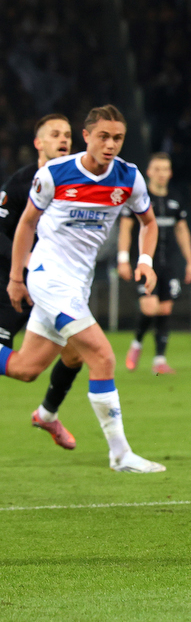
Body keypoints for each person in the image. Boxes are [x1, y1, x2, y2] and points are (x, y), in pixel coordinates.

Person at [1, 105, 166, 473]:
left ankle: (46, 415)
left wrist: (145, 261)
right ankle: (120, 453)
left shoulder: (129, 177)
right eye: (103, 136)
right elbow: (27, 224)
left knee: (26, 368)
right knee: (103, 356)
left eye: (118, 138)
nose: (110, 144)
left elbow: (149, 223)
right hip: (47, 278)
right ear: (87, 136)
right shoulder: (55, 173)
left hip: (77, 282)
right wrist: (16, 277)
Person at [0, 114, 83, 449]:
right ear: (39, 143)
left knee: (77, 353)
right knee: (21, 369)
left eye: (67, 134)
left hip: (54, 289)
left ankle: (47, 415)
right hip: (12, 288)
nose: (63, 139)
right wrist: (23, 267)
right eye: (54, 134)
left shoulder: (75, 185)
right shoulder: (20, 184)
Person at [118, 152, 191, 374]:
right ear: (149, 172)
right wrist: (123, 258)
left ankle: (159, 361)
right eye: (157, 169)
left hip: (169, 263)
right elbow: (126, 227)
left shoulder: (175, 199)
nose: (162, 174)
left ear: (170, 173)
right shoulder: (139, 198)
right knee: (149, 307)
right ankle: (137, 343)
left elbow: (182, 230)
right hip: (145, 263)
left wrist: (190, 261)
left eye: (165, 169)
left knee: (164, 309)